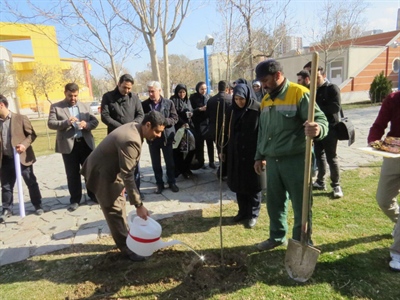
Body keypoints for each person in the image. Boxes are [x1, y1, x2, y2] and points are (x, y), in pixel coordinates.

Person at [253, 59, 328, 251]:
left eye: (266, 80)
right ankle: (277, 237)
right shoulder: (266, 99)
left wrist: (317, 129)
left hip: (297, 161)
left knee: (301, 206)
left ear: (278, 75)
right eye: (260, 81)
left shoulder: (300, 93)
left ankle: (301, 242)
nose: (263, 85)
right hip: (273, 161)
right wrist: (259, 155)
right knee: (274, 203)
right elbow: (263, 131)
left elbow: (320, 120)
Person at [81, 111, 166, 261]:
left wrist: (123, 187)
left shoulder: (135, 128)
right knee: (114, 210)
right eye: (157, 131)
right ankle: (128, 250)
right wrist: (139, 204)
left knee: (119, 207)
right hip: (102, 175)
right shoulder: (131, 139)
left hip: (111, 172)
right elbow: (128, 174)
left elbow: (125, 170)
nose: (159, 135)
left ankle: (127, 239)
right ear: (148, 125)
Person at [48, 83, 99, 211]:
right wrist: (66, 122)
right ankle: (75, 199)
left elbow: (95, 121)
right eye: (70, 95)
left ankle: (93, 195)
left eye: (75, 95)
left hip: (85, 143)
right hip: (68, 145)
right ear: (65, 93)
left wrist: (86, 124)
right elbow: (51, 123)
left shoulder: (85, 106)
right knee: (72, 174)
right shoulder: (56, 107)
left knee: (89, 171)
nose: (73, 98)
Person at [367, 91, 400, 271]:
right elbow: (379, 124)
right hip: (394, 153)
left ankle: (398, 252)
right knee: (383, 199)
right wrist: (373, 140)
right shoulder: (394, 99)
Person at [0, 95, 43, 222]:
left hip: (21, 158)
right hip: (5, 159)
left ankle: (37, 204)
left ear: (1, 105)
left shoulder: (20, 118)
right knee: (6, 186)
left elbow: (32, 135)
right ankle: (7, 208)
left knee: (31, 181)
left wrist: (24, 145)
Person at [101, 74, 144, 199]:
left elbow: (140, 114)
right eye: (125, 87)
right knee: (117, 167)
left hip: (132, 137)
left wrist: (132, 126)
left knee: (134, 167)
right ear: (119, 84)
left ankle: (136, 193)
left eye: (129, 88)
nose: (127, 91)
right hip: (115, 138)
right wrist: (121, 128)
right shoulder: (108, 97)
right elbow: (105, 116)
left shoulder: (134, 97)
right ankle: (118, 193)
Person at [225, 84, 261, 228]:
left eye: (242, 99)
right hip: (236, 152)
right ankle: (242, 211)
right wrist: (224, 149)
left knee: (253, 185)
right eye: (237, 99)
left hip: (252, 153)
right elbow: (227, 131)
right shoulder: (232, 110)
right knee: (239, 184)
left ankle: (253, 214)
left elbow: (262, 132)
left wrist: (261, 154)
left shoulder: (257, 108)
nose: (240, 102)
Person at [142, 81, 179, 194]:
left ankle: (172, 181)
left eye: (152, 91)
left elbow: (174, 118)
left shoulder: (169, 103)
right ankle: (159, 183)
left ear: (159, 90)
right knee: (155, 163)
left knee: (169, 162)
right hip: (152, 138)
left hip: (166, 136)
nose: (151, 94)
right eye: (149, 92)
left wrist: (162, 122)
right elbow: (142, 120)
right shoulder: (144, 105)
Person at [312, 68, 343, 198]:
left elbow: (335, 107)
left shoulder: (332, 88)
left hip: (331, 129)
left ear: (324, 76)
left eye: (318, 77)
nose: (316, 80)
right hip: (317, 129)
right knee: (319, 156)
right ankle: (320, 181)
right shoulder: (313, 90)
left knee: (332, 157)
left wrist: (316, 111)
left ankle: (336, 185)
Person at [206, 80, 232, 178]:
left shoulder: (211, 100)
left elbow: (207, 115)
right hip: (228, 129)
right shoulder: (231, 99)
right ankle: (225, 170)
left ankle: (222, 169)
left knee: (220, 150)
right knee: (228, 149)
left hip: (215, 129)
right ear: (227, 89)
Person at [170, 83, 195, 179]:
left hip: (188, 128)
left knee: (190, 149)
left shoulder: (187, 100)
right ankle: (179, 169)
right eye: (180, 92)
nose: (182, 94)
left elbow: (191, 110)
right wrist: (182, 123)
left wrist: (191, 114)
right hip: (178, 129)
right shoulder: (173, 100)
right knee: (178, 151)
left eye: (184, 92)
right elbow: (174, 114)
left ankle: (186, 168)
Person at [189, 81, 215, 169]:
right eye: (201, 89)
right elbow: (190, 110)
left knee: (210, 143)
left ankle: (211, 161)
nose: (204, 91)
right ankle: (201, 162)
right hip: (198, 123)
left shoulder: (209, 97)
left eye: (205, 89)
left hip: (208, 123)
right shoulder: (193, 98)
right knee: (200, 144)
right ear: (198, 89)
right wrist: (199, 109)